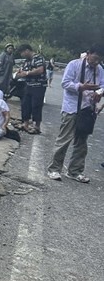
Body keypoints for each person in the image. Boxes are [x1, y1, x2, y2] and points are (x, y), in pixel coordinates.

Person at [47, 45, 104, 183]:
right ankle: (54, 169)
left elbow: (102, 85)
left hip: (87, 110)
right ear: (88, 54)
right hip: (71, 108)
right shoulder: (74, 65)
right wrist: (81, 87)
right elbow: (65, 83)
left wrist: (99, 92)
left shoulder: (99, 69)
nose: (95, 63)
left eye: (99, 60)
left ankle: (75, 171)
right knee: (64, 140)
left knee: (81, 143)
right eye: (94, 59)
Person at [16, 44, 47, 134]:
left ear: (27, 50)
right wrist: (20, 73)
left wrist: (27, 73)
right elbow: (22, 71)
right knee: (25, 104)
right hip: (28, 85)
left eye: (22, 52)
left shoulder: (38, 58)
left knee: (36, 105)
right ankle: (25, 124)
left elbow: (40, 70)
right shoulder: (26, 61)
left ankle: (36, 126)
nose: (22, 55)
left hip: (38, 85)